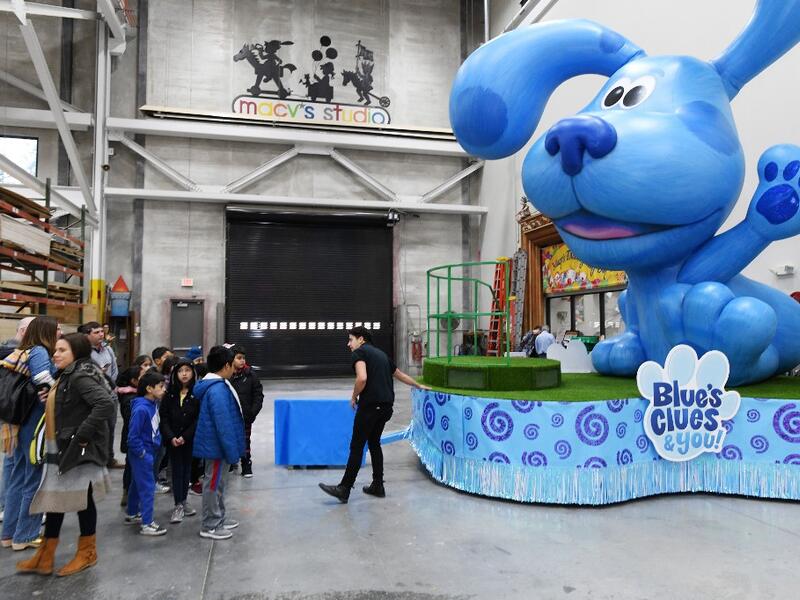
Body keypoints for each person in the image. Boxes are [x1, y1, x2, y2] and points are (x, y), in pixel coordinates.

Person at [17, 333, 115, 577]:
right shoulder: (71, 372)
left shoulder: (80, 374)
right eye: (56, 350)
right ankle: (46, 554)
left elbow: (104, 403)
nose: (55, 354)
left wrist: (82, 435)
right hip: (64, 447)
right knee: (56, 500)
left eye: (62, 350)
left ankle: (87, 552)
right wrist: (51, 397)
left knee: (82, 501)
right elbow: (74, 403)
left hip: (77, 448)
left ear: (76, 352)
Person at [319, 326, 430, 503]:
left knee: (356, 447)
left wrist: (354, 396)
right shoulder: (382, 355)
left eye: (350, 340)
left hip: (370, 407)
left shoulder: (360, 353)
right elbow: (399, 375)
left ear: (361, 339)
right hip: (386, 408)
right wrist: (418, 385)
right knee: (374, 443)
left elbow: (362, 378)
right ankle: (378, 485)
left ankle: (344, 488)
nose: (348, 344)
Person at [1, 317, 58, 551]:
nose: (60, 333)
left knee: (18, 476)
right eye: (56, 330)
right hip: (34, 422)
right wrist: (56, 388)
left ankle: (8, 534)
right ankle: (24, 535)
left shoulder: (21, 351)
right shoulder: (39, 351)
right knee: (32, 479)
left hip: (19, 422)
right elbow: (42, 377)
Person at [192, 346, 244, 541]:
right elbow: (223, 425)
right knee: (213, 485)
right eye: (233, 364)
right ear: (226, 365)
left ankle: (219, 517)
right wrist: (232, 452)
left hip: (219, 447)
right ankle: (210, 524)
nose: (236, 368)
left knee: (219, 484)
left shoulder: (219, 385)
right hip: (217, 448)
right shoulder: (217, 391)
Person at [0, 316, 35, 525]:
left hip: (11, 414)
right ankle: (7, 508)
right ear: (23, 332)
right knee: (14, 464)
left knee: (12, 463)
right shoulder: (12, 355)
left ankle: (7, 508)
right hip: (14, 415)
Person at [125, 370, 168, 536]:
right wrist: (143, 453)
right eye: (160, 386)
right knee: (148, 487)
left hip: (149, 451)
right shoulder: (142, 409)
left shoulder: (152, 404)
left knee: (137, 483)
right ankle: (147, 523)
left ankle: (132, 512)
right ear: (149, 389)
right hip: (143, 453)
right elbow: (133, 437)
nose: (164, 389)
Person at [160, 359, 200, 524]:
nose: (184, 374)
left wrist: (186, 436)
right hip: (173, 440)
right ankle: (178, 504)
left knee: (187, 471)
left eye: (187, 370)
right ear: (175, 374)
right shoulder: (169, 394)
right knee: (176, 471)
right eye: (180, 371)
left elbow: (197, 419)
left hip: (189, 440)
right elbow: (164, 418)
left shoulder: (197, 393)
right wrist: (171, 437)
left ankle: (184, 501)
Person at [81, 321, 122, 470]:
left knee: (111, 428)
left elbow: (114, 371)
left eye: (101, 332)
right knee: (97, 429)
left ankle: (109, 458)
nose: (101, 334)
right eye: (96, 332)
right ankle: (96, 459)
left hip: (110, 395)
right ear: (87, 335)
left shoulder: (108, 350)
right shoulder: (84, 353)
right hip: (94, 397)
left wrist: (110, 385)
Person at [229, 345, 263, 478]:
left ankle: (246, 464)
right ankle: (231, 462)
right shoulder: (227, 376)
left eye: (243, 358)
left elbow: (258, 395)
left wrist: (252, 412)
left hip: (245, 416)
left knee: (245, 440)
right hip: (230, 416)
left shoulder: (251, 375)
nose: (242, 361)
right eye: (238, 358)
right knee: (230, 439)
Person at [116, 366, 140, 507]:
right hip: (132, 439)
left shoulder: (137, 395)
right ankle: (128, 493)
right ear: (133, 381)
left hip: (133, 439)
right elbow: (130, 418)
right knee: (131, 466)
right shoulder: (130, 398)